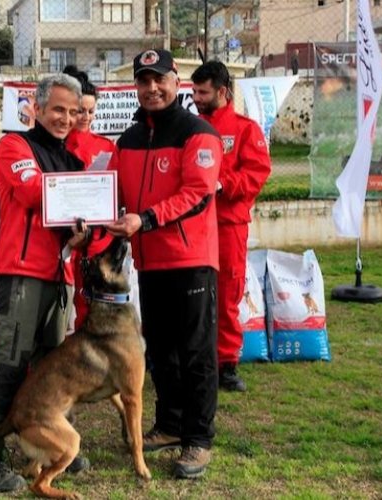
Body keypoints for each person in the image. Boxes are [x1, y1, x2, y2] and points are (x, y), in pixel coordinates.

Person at [0, 74, 88, 492]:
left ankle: (52, 444)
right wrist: (84, 196)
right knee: (9, 364)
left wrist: (83, 230)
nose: (66, 118)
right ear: (35, 109)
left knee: (53, 369)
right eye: (57, 110)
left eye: (73, 112)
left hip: (60, 275)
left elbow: (80, 215)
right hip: (22, 272)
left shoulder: (73, 159)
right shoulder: (15, 146)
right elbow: (33, 191)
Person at [106, 49, 222, 479]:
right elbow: (110, 192)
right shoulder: (130, 139)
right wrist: (87, 220)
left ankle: (198, 438)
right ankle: (170, 425)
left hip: (191, 260)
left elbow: (198, 193)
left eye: (160, 79)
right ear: (136, 86)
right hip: (150, 262)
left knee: (195, 352)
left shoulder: (199, 134)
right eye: (144, 80)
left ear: (177, 81)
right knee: (162, 349)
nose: (152, 88)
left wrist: (147, 219)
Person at [191, 61, 272, 392]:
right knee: (194, 295)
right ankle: (196, 360)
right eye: (194, 91)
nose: (196, 97)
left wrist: (222, 185)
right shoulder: (191, 128)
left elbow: (258, 172)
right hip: (193, 225)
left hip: (227, 225)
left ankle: (226, 364)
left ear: (222, 92)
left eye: (202, 92)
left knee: (227, 293)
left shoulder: (245, 129)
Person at [61, 66, 116, 329]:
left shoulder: (105, 146)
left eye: (91, 111)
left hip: (97, 237)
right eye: (81, 110)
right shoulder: (58, 144)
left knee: (93, 302)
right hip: (64, 235)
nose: (86, 117)